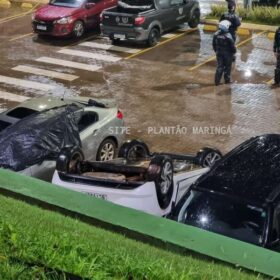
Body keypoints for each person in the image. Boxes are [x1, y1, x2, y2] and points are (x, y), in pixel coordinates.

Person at [213, 20, 237, 85]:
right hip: (227, 54)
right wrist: (234, 52)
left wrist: (217, 51)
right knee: (227, 67)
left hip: (219, 53)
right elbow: (232, 46)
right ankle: (227, 80)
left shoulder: (216, 34)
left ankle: (217, 82)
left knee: (219, 67)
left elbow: (213, 44)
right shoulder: (228, 35)